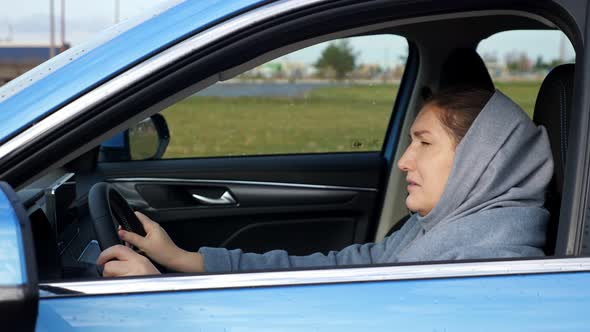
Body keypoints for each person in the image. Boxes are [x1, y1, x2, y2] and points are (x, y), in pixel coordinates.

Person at [97, 88, 554, 277]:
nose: (405, 161)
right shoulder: (446, 232)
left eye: (424, 143)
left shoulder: (483, 267)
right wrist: (185, 261)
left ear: (481, 160)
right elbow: (345, 264)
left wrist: (165, 303)